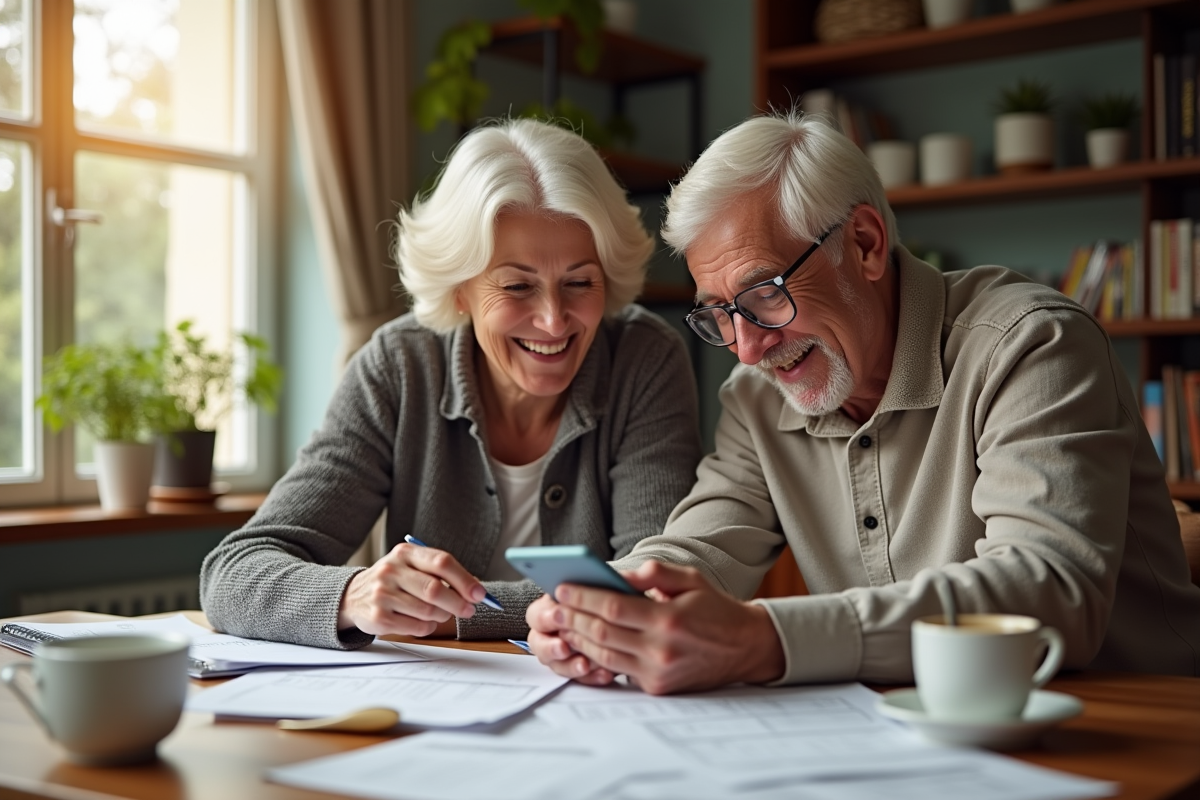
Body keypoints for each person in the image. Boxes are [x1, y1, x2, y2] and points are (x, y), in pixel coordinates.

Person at [526, 110, 1200, 694]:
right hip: (906, 730)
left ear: (866, 244)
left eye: (764, 295)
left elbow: (1046, 594)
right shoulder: (757, 398)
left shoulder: (1031, 346)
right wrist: (610, 605)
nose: (750, 348)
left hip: (1123, 725)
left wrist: (764, 638)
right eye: (721, 314)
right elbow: (701, 545)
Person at [200, 119, 702, 647]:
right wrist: (354, 595)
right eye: (517, 286)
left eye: (579, 282)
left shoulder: (644, 359)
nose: (554, 320)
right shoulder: (398, 366)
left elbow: (648, 590)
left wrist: (448, 614)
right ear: (459, 290)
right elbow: (232, 573)